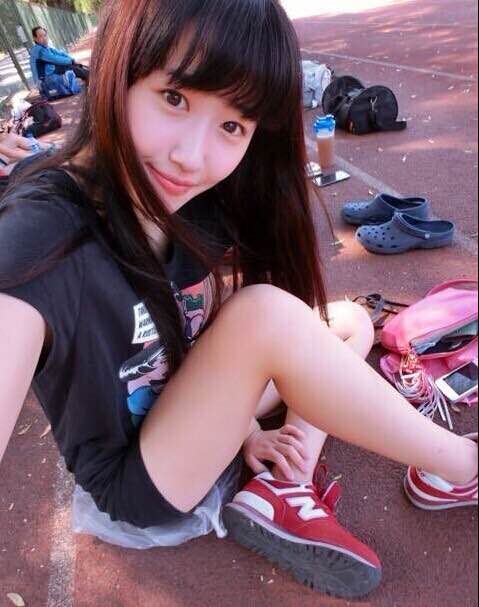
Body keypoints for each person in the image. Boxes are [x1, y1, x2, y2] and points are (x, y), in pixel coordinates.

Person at [0, 0, 477, 600]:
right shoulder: (41, 231)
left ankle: (287, 480)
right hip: (145, 472)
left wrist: (245, 427)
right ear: (119, 68)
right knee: (266, 316)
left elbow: (197, 334)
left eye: (233, 126)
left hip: (196, 401)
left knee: (349, 321)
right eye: (175, 98)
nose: (191, 157)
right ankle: (461, 468)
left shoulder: (196, 199)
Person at [30, 26, 89, 97]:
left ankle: (88, 75)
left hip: (48, 77)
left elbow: (60, 53)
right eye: (40, 36)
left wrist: (72, 60)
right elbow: (55, 59)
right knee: (68, 67)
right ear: (35, 39)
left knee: (71, 66)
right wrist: (72, 61)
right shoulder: (39, 50)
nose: (44, 38)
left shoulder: (44, 48)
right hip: (44, 82)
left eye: (45, 35)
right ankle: (90, 76)